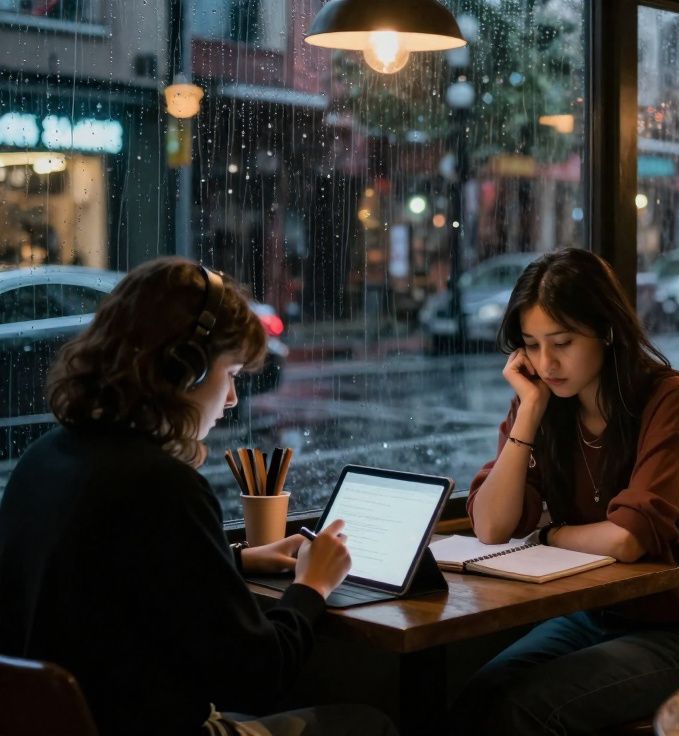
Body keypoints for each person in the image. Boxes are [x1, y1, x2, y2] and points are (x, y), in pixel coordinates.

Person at [0, 258, 395, 736]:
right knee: (366, 722)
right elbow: (258, 676)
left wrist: (238, 559)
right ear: (184, 370)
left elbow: (115, 580)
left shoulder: (45, 458)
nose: (231, 399)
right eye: (230, 373)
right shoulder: (162, 486)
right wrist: (313, 586)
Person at [453, 248, 679, 734]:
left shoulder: (667, 397)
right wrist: (530, 411)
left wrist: (547, 535)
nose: (546, 362)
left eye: (561, 342)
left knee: (525, 708)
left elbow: (626, 539)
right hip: (592, 618)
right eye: (531, 345)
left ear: (605, 331)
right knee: (474, 694)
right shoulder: (543, 403)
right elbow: (492, 526)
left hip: (678, 633)